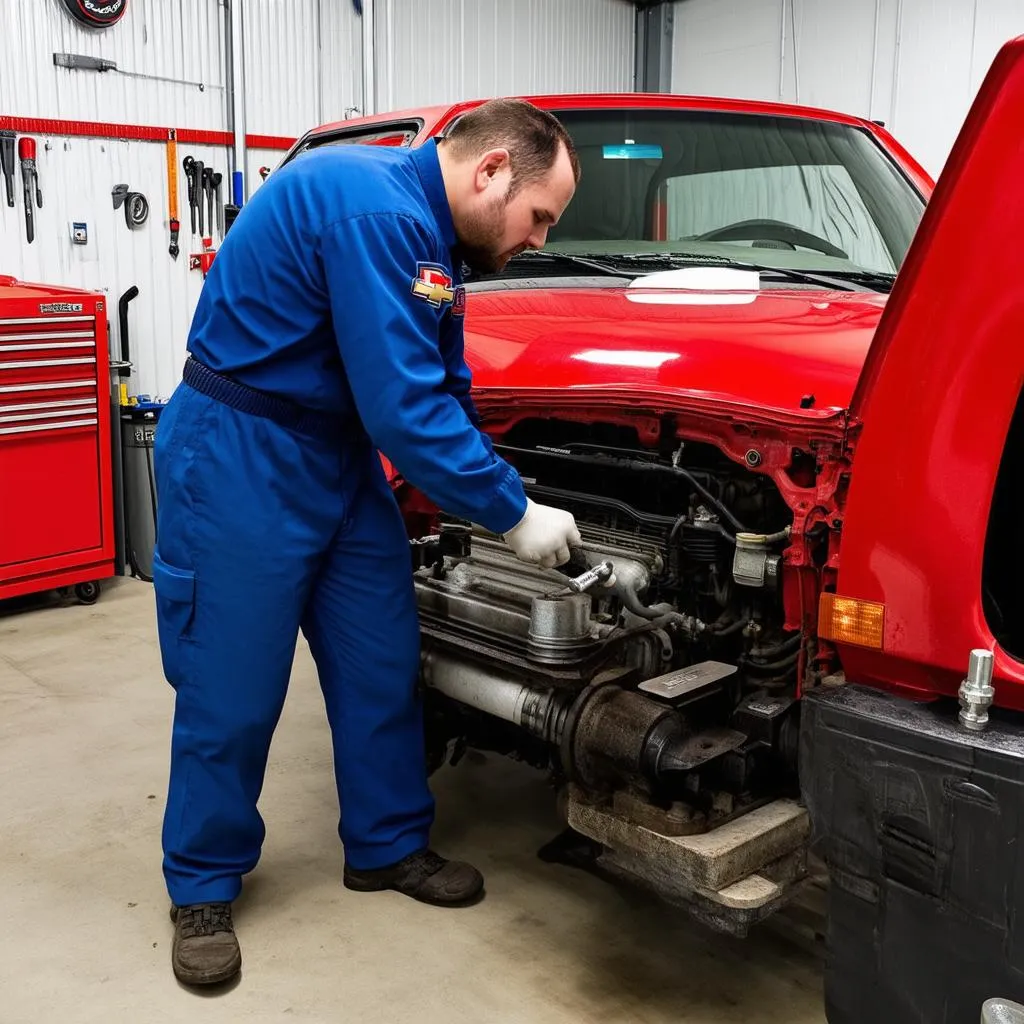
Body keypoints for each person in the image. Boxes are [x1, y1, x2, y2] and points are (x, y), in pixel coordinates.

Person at [152, 98, 583, 986]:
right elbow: (404, 408)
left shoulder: (435, 239)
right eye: (540, 217)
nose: (539, 238)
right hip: (244, 452)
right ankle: (201, 882)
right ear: (492, 170)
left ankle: (385, 845)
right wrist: (511, 512)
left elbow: (444, 386)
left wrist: (503, 482)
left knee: (380, 658)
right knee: (230, 684)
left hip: (337, 460)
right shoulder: (376, 210)